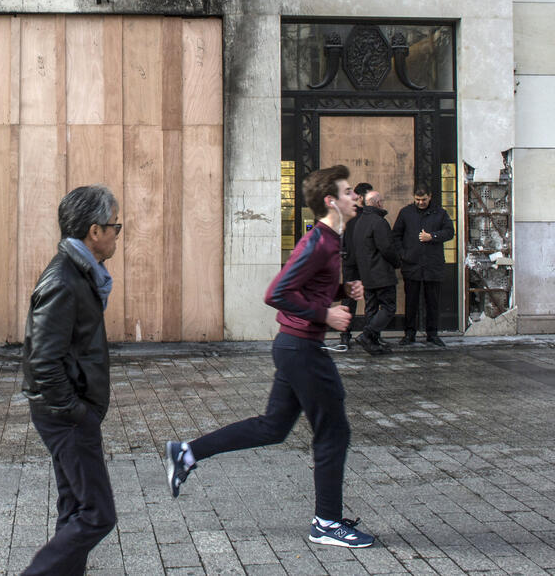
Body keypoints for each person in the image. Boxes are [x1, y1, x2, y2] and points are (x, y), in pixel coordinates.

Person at [165, 165, 376, 549]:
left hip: (295, 346)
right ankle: (327, 523)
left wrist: (342, 289)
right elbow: (276, 293)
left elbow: (307, 289)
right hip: (302, 349)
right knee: (333, 432)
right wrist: (325, 314)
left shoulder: (330, 240)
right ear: (331, 201)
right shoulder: (318, 242)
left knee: (273, 427)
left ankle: (187, 452)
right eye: (348, 192)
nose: (354, 197)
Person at [20, 184, 120, 575]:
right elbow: (43, 360)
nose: (116, 234)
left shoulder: (82, 273)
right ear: (94, 231)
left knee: (76, 507)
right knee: (97, 514)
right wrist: (75, 412)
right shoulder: (63, 280)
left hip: (69, 411)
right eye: (115, 226)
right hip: (65, 414)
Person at [393, 186, 454, 347]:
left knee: (432, 302)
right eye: (418, 200)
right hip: (412, 264)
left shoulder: (440, 213)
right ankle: (409, 334)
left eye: (424, 200)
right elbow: (396, 235)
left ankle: (432, 334)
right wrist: (403, 254)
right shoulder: (406, 213)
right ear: (413, 197)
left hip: (433, 265)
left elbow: (449, 232)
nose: (420, 202)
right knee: (411, 301)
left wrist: (432, 236)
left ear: (430, 196)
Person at [347, 190, 401, 357]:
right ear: (378, 203)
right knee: (388, 307)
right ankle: (367, 334)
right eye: (381, 201)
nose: (382, 204)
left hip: (366, 273)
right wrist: (397, 262)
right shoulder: (379, 222)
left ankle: (372, 342)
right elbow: (387, 248)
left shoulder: (359, 222)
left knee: (371, 308)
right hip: (381, 273)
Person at [339, 182, 372, 348]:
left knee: (370, 299)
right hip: (351, 262)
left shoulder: (372, 214)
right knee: (349, 300)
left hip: (368, 263)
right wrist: (343, 252)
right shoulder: (349, 213)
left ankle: (370, 334)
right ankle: (345, 334)